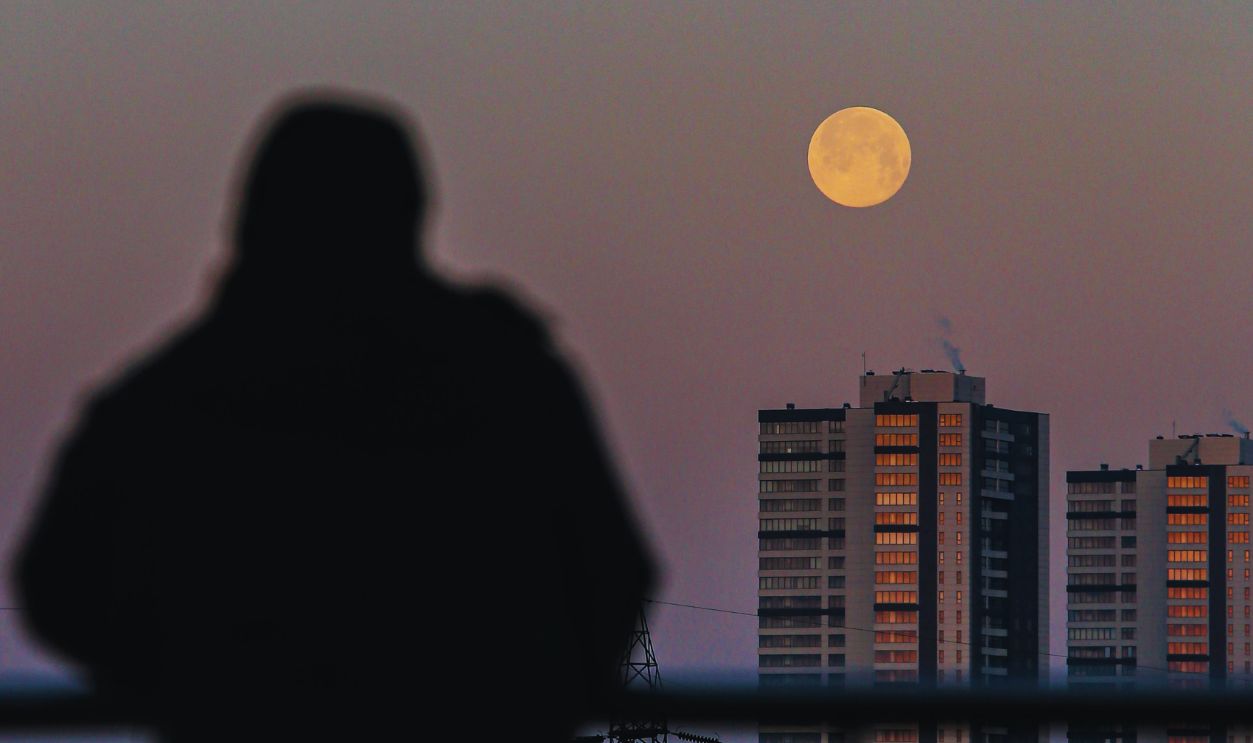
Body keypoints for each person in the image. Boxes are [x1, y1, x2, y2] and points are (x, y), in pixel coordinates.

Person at [18, 92, 653, 741]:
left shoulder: (179, 393)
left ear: (254, 218)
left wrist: (186, 674)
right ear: (411, 213)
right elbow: (613, 569)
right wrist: (523, 698)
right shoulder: (508, 378)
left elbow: (56, 582)